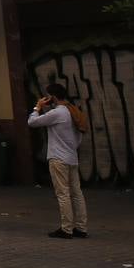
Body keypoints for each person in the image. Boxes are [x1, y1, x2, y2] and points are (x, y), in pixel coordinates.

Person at [28, 83, 87, 239]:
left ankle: (66, 228)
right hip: (72, 157)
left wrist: (37, 107)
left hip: (58, 158)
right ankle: (81, 227)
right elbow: (79, 136)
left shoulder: (57, 113)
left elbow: (32, 122)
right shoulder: (73, 111)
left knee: (63, 194)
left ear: (52, 97)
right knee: (76, 193)